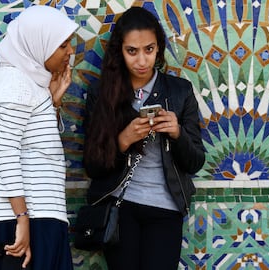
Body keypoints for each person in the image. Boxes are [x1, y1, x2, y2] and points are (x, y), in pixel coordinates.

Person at [83, 6, 205, 270]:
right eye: (132, 51)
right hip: (120, 207)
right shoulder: (102, 93)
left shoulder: (180, 91)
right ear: (120, 51)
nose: (141, 61)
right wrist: (122, 141)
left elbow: (196, 161)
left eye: (149, 50)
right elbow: (92, 165)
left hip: (166, 208)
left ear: (159, 48)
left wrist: (177, 133)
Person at [0, 5, 78, 270]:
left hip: (41, 216)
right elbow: (6, 152)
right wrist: (22, 219)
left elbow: (33, 143)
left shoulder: (30, 83)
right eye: (63, 45)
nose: (70, 52)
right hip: (24, 221)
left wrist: (53, 102)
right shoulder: (15, 83)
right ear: (39, 43)